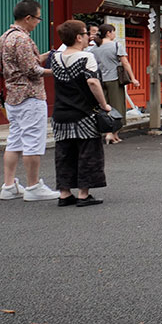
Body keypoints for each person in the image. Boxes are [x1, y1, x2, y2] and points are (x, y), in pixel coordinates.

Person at [50, 20, 113, 206]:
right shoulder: (86, 57)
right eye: (86, 33)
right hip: (83, 114)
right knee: (87, 152)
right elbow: (93, 82)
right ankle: (83, 194)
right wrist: (104, 104)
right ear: (78, 37)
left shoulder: (55, 58)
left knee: (64, 153)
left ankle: (64, 193)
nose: (89, 37)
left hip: (60, 113)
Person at [1, 0, 59, 202]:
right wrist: (59, 70)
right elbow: (32, 70)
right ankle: (33, 186)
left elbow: (19, 64)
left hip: (12, 95)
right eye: (37, 18)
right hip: (30, 96)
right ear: (28, 18)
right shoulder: (23, 40)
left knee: (14, 140)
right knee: (32, 141)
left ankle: (8, 186)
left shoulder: (5, 37)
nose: (38, 22)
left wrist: (45, 56)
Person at [89, 24, 139, 144]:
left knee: (104, 106)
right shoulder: (116, 45)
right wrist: (133, 78)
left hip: (101, 81)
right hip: (114, 79)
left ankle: (108, 133)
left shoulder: (94, 49)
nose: (114, 35)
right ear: (108, 33)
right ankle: (113, 134)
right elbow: (125, 63)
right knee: (117, 107)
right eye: (113, 32)